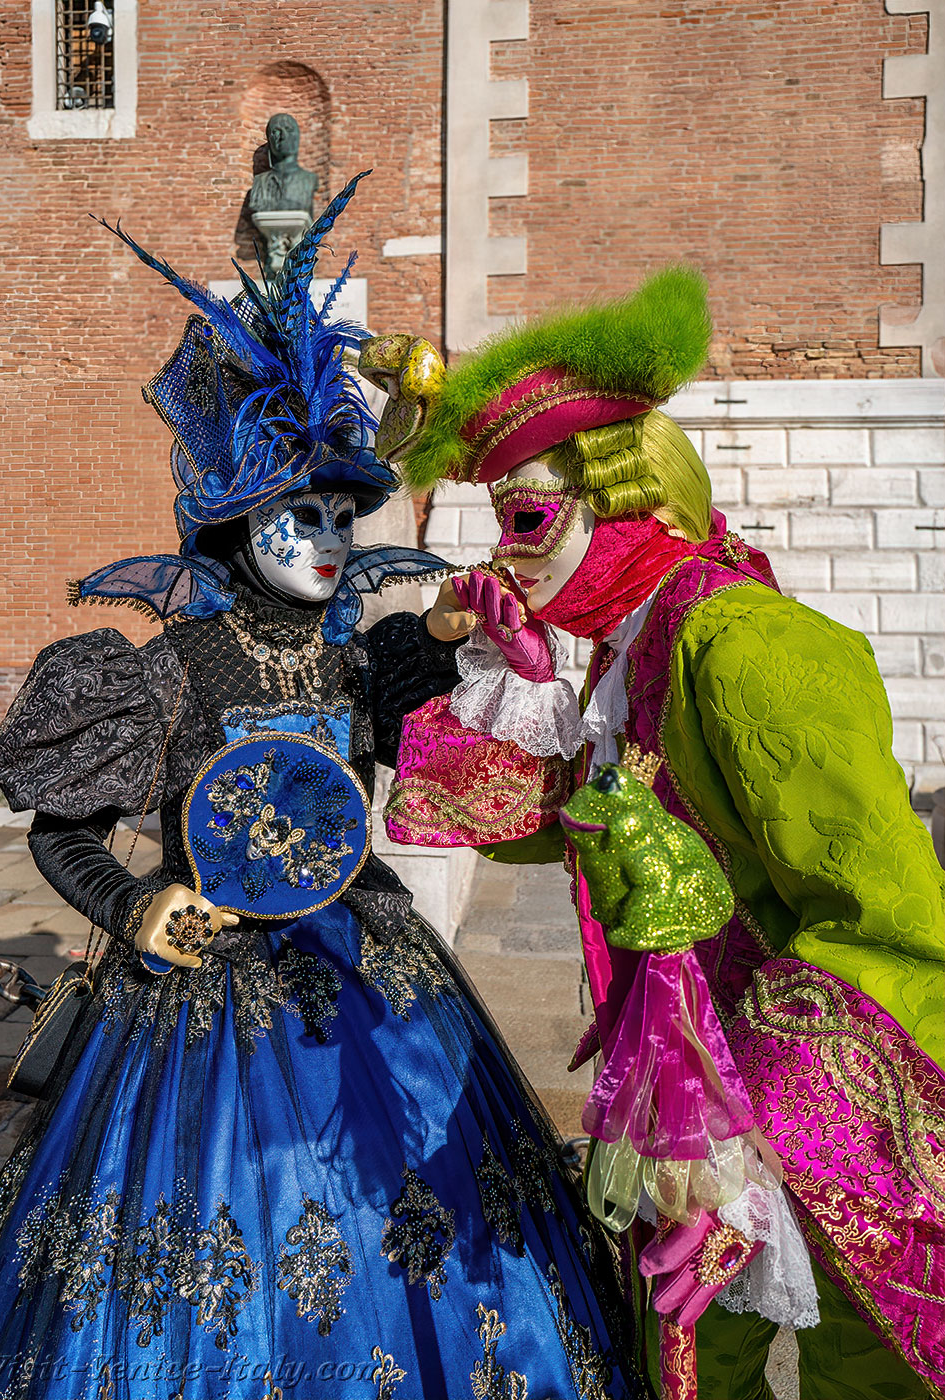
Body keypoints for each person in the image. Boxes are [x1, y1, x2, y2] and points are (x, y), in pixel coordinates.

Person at [0, 178, 648, 1400]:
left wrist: (474, 634)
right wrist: (136, 906)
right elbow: (64, 829)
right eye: (296, 515)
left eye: (337, 515)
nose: (326, 537)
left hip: (372, 965)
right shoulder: (161, 674)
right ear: (235, 523)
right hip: (204, 981)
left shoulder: (365, 655)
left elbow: (448, 724)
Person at [369, 266, 945, 1400]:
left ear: (634, 501)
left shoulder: (746, 649)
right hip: (683, 1105)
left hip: (815, 1129)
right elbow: (546, 828)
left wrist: (751, 1139)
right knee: (681, 1363)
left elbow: (891, 922)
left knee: (855, 1371)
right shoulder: (635, 657)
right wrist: (514, 682)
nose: (506, 559)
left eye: (528, 521)